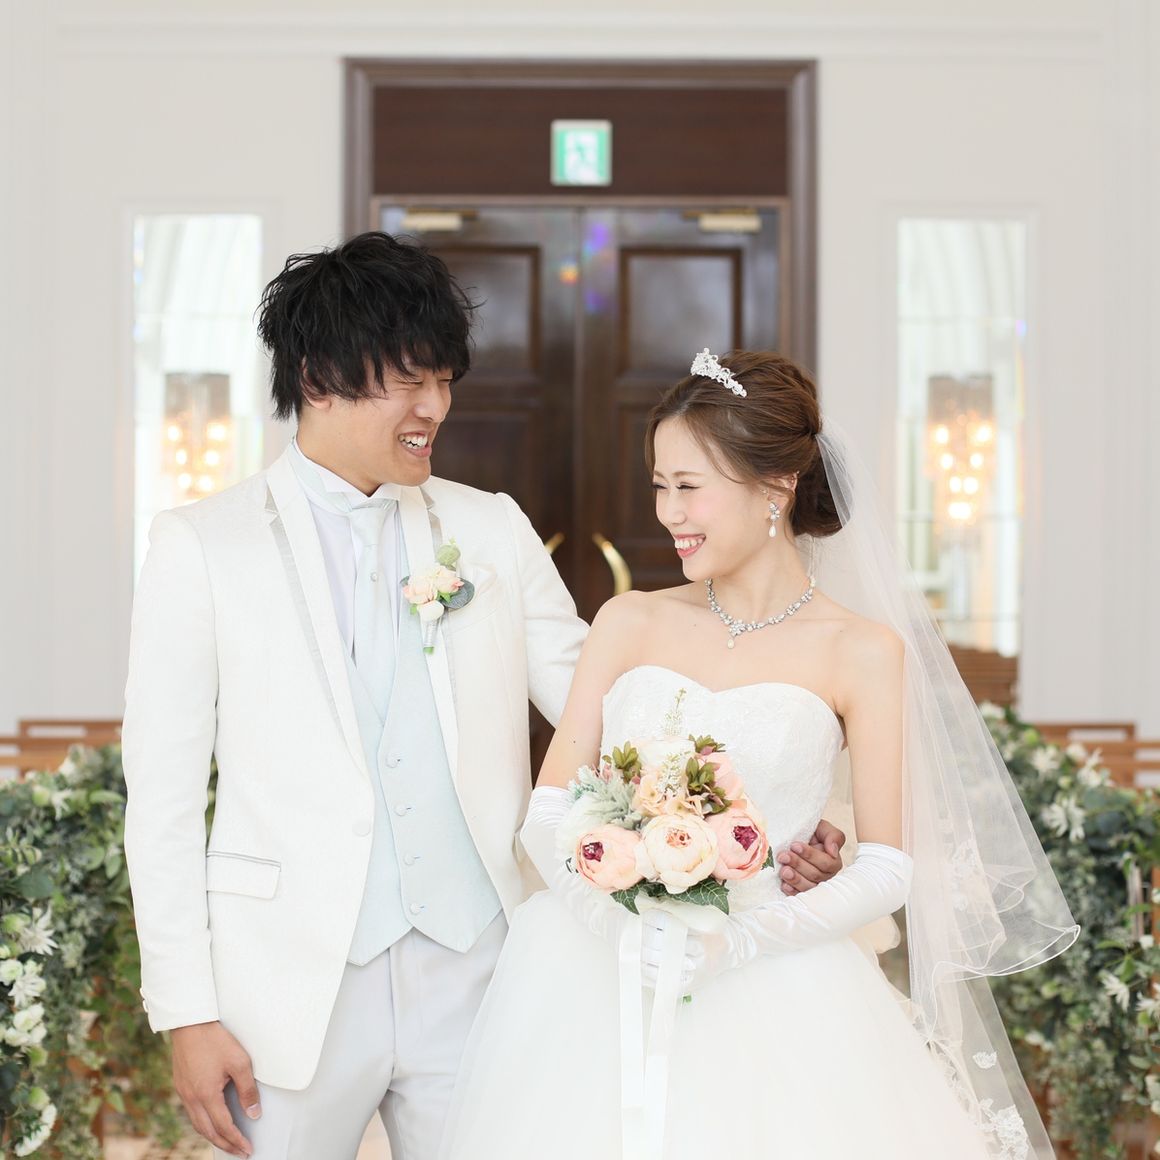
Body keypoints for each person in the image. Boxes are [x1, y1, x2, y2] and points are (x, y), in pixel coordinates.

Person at [120, 236, 847, 1160]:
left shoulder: (490, 526)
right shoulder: (201, 546)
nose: (436, 407)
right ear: (316, 377)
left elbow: (620, 710)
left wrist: (765, 816)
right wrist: (186, 1011)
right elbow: (163, 802)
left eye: (445, 381)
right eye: (410, 381)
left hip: (481, 973)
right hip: (287, 987)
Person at [438, 350, 1079, 1160]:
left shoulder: (864, 650)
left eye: (690, 486)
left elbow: (888, 868)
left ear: (775, 486)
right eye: (660, 485)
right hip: (592, 971)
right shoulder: (628, 620)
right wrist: (610, 920)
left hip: (778, 978)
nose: (669, 513)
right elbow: (549, 810)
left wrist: (735, 941)